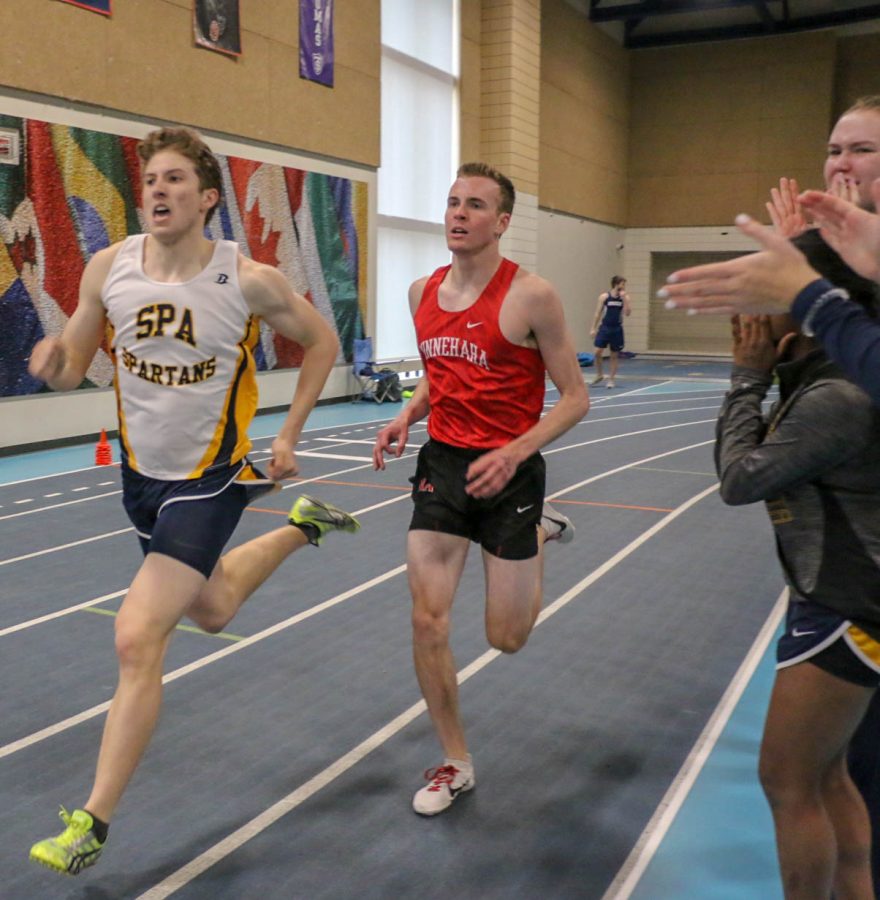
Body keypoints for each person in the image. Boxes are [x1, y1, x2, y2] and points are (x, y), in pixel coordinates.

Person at [26, 126, 360, 875]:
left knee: (137, 637)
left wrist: (290, 433)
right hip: (141, 480)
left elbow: (324, 344)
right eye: (150, 180)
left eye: (175, 180)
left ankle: (92, 824)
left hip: (208, 481)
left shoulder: (248, 279)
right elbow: (75, 359)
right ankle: (302, 530)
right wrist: (52, 364)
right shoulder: (109, 269)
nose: (157, 191)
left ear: (208, 198)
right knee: (211, 611)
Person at [372, 162, 589, 816]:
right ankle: (454, 761)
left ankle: (536, 529)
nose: (458, 214)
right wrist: (408, 412)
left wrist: (516, 450)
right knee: (426, 619)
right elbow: (442, 372)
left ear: (502, 222)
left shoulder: (532, 296)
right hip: (444, 467)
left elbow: (575, 399)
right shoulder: (421, 293)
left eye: (474, 205)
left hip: (512, 474)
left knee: (507, 637)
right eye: (452, 202)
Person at [717, 309, 880, 899]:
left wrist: (747, 377)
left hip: (844, 607)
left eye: (764, 292)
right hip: (834, 601)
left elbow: (738, 477)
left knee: (787, 781)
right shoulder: (820, 376)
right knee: (828, 776)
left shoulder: (835, 394)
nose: (746, 311)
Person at [660, 96, 880, 404]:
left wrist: (814, 265)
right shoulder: (819, 245)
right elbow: (772, 344)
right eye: (834, 151)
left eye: (863, 150)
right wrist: (803, 255)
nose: (841, 163)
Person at [590, 275, 631, 388]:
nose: (623, 287)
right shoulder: (604, 297)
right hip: (605, 327)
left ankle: (611, 379)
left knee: (614, 354)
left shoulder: (625, 298)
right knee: (597, 352)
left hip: (617, 329)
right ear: (616, 284)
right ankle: (599, 374)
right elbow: (598, 313)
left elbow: (627, 313)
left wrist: (624, 300)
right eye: (622, 284)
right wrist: (593, 328)